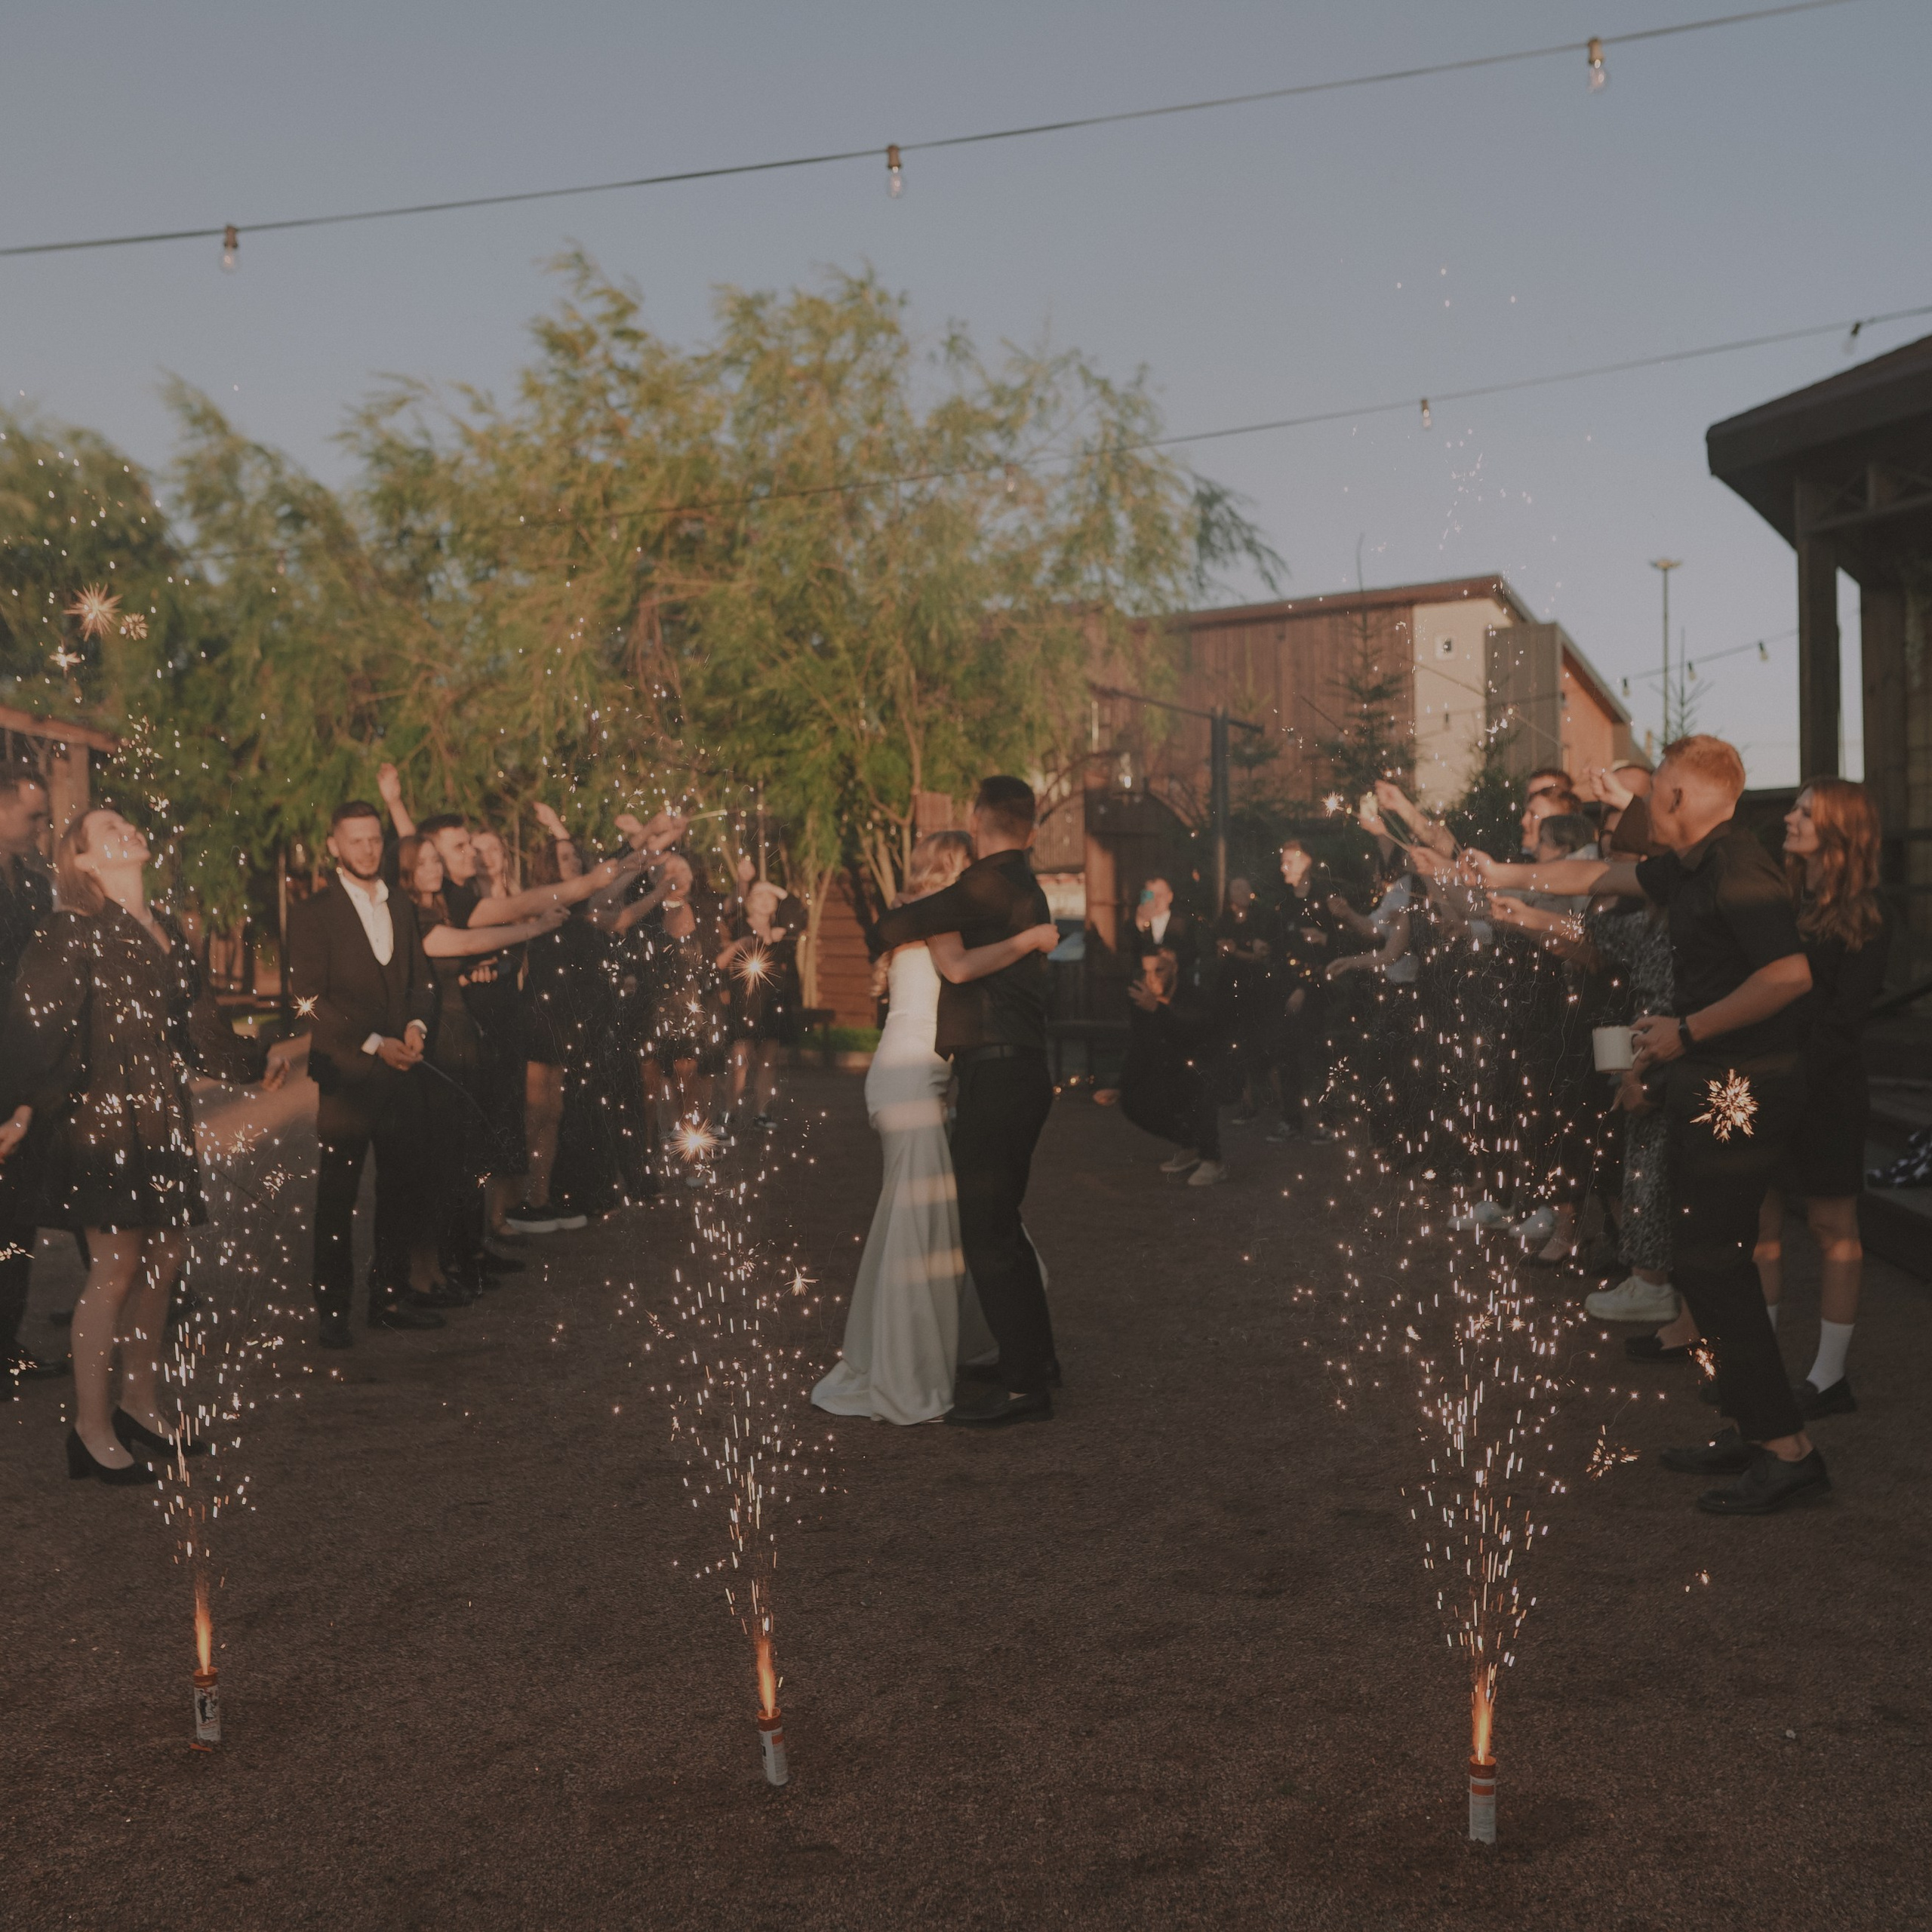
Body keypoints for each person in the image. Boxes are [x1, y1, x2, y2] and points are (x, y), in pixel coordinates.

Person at [1475, 734, 1823, 1514]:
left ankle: (1788, 1450)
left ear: (1679, 797)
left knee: (1710, 1260)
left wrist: (1688, 1031)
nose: (1646, 800)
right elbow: (1598, 874)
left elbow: (1788, 974)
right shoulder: (1691, 864)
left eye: (1656, 785)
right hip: (1714, 1077)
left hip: (1742, 1086)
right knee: (1705, 1263)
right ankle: (1758, 1428)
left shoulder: (1737, 868)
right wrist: (1507, 874)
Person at [0, 809, 294, 1482]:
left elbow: (198, 1027)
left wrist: (254, 1062)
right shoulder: (69, 929)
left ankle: (138, 1405)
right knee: (116, 1267)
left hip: (160, 1115)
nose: (127, 830)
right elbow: (34, 1029)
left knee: (165, 1259)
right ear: (82, 861)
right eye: (108, 829)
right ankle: (90, 1430)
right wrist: (20, 1108)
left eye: (128, 823)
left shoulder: (167, 929)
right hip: (99, 1119)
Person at [813, 831, 1058, 1424]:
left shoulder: (923, 912)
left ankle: (962, 1351)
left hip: (914, 1076)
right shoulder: (939, 912)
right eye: (970, 863)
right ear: (953, 865)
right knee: (917, 1224)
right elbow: (959, 968)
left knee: (934, 1217)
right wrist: (1030, 938)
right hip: (909, 1078)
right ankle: (906, 1376)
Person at [1751, 780, 1890, 1417]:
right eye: (1795, 807)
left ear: (1839, 828)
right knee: (1760, 1223)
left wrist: (1789, 1077)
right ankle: (1759, 1369)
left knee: (1833, 1227)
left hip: (1826, 1091)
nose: (1789, 817)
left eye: (1806, 811)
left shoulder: (1867, 914)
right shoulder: (1779, 897)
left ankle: (1829, 1379)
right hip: (1765, 1083)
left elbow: (1842, 1022)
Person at [288, 801, 441, 1348]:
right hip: (347, 1076)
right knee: (338, 1196)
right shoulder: (312, 914)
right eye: (356, 840)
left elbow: (421, 980)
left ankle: (389, 1299)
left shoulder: (399, 903)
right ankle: (332, 1309)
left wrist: (417, 1026)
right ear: (334, 845)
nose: (368, 849)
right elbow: (307, 999)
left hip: (403, 1072)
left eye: (375, 839)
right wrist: (376, 1044)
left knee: (401, 1189)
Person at [396, 835, 561, 1297]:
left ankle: (464, 1256)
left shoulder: (444, 906)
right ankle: (434, 1268)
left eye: (437, 860)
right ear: (407, 871)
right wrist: (534, 928)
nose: (435, 868)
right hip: (438, 1042)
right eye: (425, 862)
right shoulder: (415, 915)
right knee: (442, 1163)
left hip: (464, 1036)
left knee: (467, 1157)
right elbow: (470, 942)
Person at [0, 762, 57, 1396]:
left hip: (22, 1063)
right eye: (32, 814)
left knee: (17, 1219)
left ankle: (7, 1338)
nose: (43, 825)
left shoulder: (36, 888)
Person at [1120, 947, 1226, 1185]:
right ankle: (1190, 1146)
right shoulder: (1143, 999)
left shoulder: (1195, 996)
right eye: (1146, 971)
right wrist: (1121, 1085)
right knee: (1132, 1100)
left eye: (1159, 970)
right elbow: (1140, 1044)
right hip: (1168, 1069)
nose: (1151, 978)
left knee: (1198, 1081)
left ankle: (1213, 1160)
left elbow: (1192, 1033)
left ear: (1174, 969)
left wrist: (1158, 1010)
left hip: (1204, 1066)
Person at [1267, 839, 1341, 1142]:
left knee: (1319, 1058)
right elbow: (1278, 949)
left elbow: (1338, 946)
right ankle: (1291, 1119)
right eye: (1282, 861)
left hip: (1317, 995)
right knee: (1287, 1057)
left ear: (1307, 862)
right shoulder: (1284, 905)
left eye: (1290, 861)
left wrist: (1305, 987)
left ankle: (1328, 1121)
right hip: (1286, 994)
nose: (1283, 866)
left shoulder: (1324, 901)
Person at [719, 879, 803, 1131]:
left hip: (772, 999)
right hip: (745, 999)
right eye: (760, 896)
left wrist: (776, 889)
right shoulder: (739, 926)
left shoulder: (782, 931)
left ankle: (762, 1113)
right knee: (739, 1058)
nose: (766, 901)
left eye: (771, 897)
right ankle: (729, 1111)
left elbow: (798, 909)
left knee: (768, 1059)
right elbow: (728, 909)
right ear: (750, 902)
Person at [1211, 877, 1274, 1126]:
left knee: (1255, 1042)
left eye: (1244, 888)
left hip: (1255, 988)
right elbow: (1219, 950)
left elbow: (1261, 956)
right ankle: (1240, 1098)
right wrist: (1233, 950)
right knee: (1233, 1042)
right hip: (1229, 988)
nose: (1240, 893)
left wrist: (1236, 950)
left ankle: (1259, 1098)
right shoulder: (1224, 921)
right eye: (1235, 889)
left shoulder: (1260, 920)